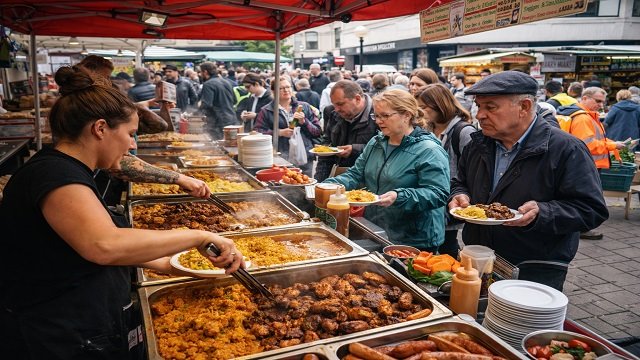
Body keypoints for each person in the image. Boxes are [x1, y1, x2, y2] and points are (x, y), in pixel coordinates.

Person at [0, 66, 244, 359]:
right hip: (57, 331)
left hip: (75, 320)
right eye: (130, 134)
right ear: (100, 128)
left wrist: (172, 265)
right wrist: (198, 236)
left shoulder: (65, 165)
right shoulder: (56, 175)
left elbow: (88, 241)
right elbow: (104, 245)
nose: (132, 144)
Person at [449, 71, 609, 291]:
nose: (480, 115)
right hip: (479, 254)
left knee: (524, 323)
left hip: (536, 265)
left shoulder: (566, 149)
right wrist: (459, 195)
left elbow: (592, 209)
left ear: (524, 107)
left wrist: (542, 212)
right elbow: (460, 181)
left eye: (490, 107)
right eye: (478, 106)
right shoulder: (479, 144)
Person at [324, 89, 450, 252]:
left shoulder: (429, 150)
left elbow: (438, 193)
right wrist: (326, 186)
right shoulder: (376, 142)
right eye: (376, 116)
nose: (379, 121)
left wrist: (399, 196)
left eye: (385, 116)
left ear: (406, 115)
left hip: (415, 239)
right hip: (377, 228)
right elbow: (356, 174)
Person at [417, 84, 476, 257]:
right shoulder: (429, 129)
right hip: (431, 204)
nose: (421, 112)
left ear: (440, 104)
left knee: (446, 248)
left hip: (450, 205)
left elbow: (472, 173)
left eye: (424, 107)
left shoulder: (464, 132)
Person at [253, 77, 322, 175]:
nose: (286, 90)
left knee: (304, 185)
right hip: (280, 158)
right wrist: (279, 132)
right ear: (273, 91)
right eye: (281, 88)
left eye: (288, 87)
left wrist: (304, 122)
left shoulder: (304, 107)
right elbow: (257, 132)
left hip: (304, 157)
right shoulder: (266, 110)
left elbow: (317, 131)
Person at [316, 80, 378, 181]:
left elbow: (386, 148)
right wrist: (319, 183)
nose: (336, 109)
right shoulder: (332, 113)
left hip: (368, 180)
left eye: (340, 104)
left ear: (357, 99)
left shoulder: (378, 114)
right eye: (334, 105)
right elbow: (326, 149)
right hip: (338, 178)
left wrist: (355, 149)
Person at [199, 61, 239, 139]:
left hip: (218, 122)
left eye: (201, 72)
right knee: (229, 145)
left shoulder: (208, 84)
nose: (200, 74)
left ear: (205, 72)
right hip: (232, 119)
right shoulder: (226, 82)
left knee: (217, 147)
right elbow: (235, 100)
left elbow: (207, 104)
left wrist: (195, 113)